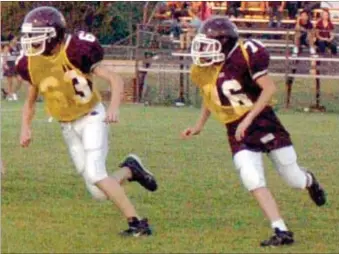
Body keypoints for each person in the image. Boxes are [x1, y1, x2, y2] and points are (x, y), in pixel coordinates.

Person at [183, 16, 326, 247]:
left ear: (225, 43)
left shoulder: (246, 55)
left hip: (262, 120)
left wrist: (248, 119)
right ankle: (280, 230)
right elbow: (210, 97)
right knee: (251, 177)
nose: (202, 50)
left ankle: (310, 181)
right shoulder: (202, 69)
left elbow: (269, 89)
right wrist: (199, 125)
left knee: (293, 179)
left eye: (209, 44)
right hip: (236, 128)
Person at [16, 6, 158, 236]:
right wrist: (25, 127)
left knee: (95, 174)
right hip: (67, 126)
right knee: (98, 191)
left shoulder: (76, 50)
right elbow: (30, 101)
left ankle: (138, 223)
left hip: (92, 117)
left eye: (37, 35)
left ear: (53, 36)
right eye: (30, 35)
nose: (31, 41)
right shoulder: (30, 62)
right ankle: (130, 170)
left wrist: (113, 107)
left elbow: (114, 78)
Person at [3, 35, 24, 101]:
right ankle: (9, 95)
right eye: (15, 39)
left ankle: (13, 92)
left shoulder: (17, 47)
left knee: (20, 80)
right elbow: (4, 56)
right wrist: (5, 64)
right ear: (11, 40)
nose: (16, 40)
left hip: (16, 65)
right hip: (9, 64)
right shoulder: (7, 47)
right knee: (10, 82)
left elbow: (19, 56)